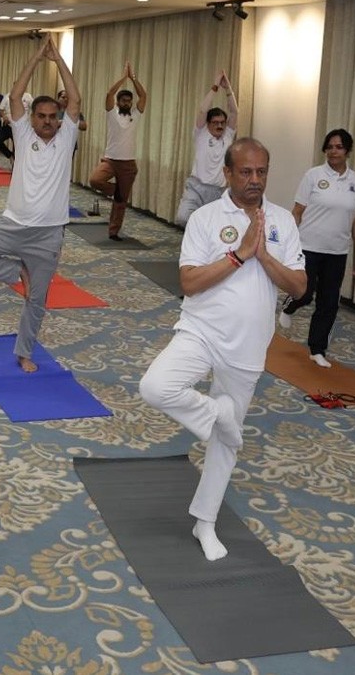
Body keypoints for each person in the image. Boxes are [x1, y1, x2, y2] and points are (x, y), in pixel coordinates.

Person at [139, 138, 305, 562]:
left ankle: (205, 522)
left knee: (225, 445)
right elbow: (189, 282)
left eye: (262, 171)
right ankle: (219, 414)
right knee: (156, 387)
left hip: (249, 345)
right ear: (227, 173)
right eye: (246, 172)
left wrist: (264, 256)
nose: (255, 180)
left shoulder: (282, 222)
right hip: (201, 332)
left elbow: (299, 286)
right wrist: (240, 254)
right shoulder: (205, 218)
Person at [0, 35, 81, 372]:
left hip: (48, 234)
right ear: (32, 118)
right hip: (12, 225)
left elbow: (76, 98)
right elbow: (13, 95)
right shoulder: (23, 135)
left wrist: (60, 61)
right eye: (42, 116)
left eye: (53, 116)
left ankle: (24, 352)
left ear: (59, 118)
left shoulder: (67, 136)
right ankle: (15, 271)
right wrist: (38, 57)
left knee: (37, 299)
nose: (48, 121)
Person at [278, 129, 355, 368]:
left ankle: (317, 349)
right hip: (308, 246)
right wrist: (289, 240)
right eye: (329, 147)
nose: (333, 151)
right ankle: (289, 307)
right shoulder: (313, 176)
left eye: (338, 147)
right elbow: (297, 211)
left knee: (329, 302)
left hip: (337, 251)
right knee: (305, 293)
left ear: (347, 151)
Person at [89, 62, 148, 240]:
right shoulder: (112, 113)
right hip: (110, 160)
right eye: (124, 101)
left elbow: (143, 95)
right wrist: (123, 78)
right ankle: (116, 190)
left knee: (121, 202)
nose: (127, 103)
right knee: (95, 180)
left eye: (129, 101)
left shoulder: (135, 115)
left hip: (128, 164)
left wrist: (133, 78)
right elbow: (109, 93)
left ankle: (113, 232)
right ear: (118, 102)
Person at [175, 71, 239, 225]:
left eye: (222, 123)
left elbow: (234, 112)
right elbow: (203, 110)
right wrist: (215, 86)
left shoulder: (228, 136)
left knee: (214, 226)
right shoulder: (201, 134)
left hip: (218, 191)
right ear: (208, 124)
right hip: (196, 188)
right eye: (215, 123)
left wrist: (228, 89)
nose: (219, 126)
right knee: (183, 217)